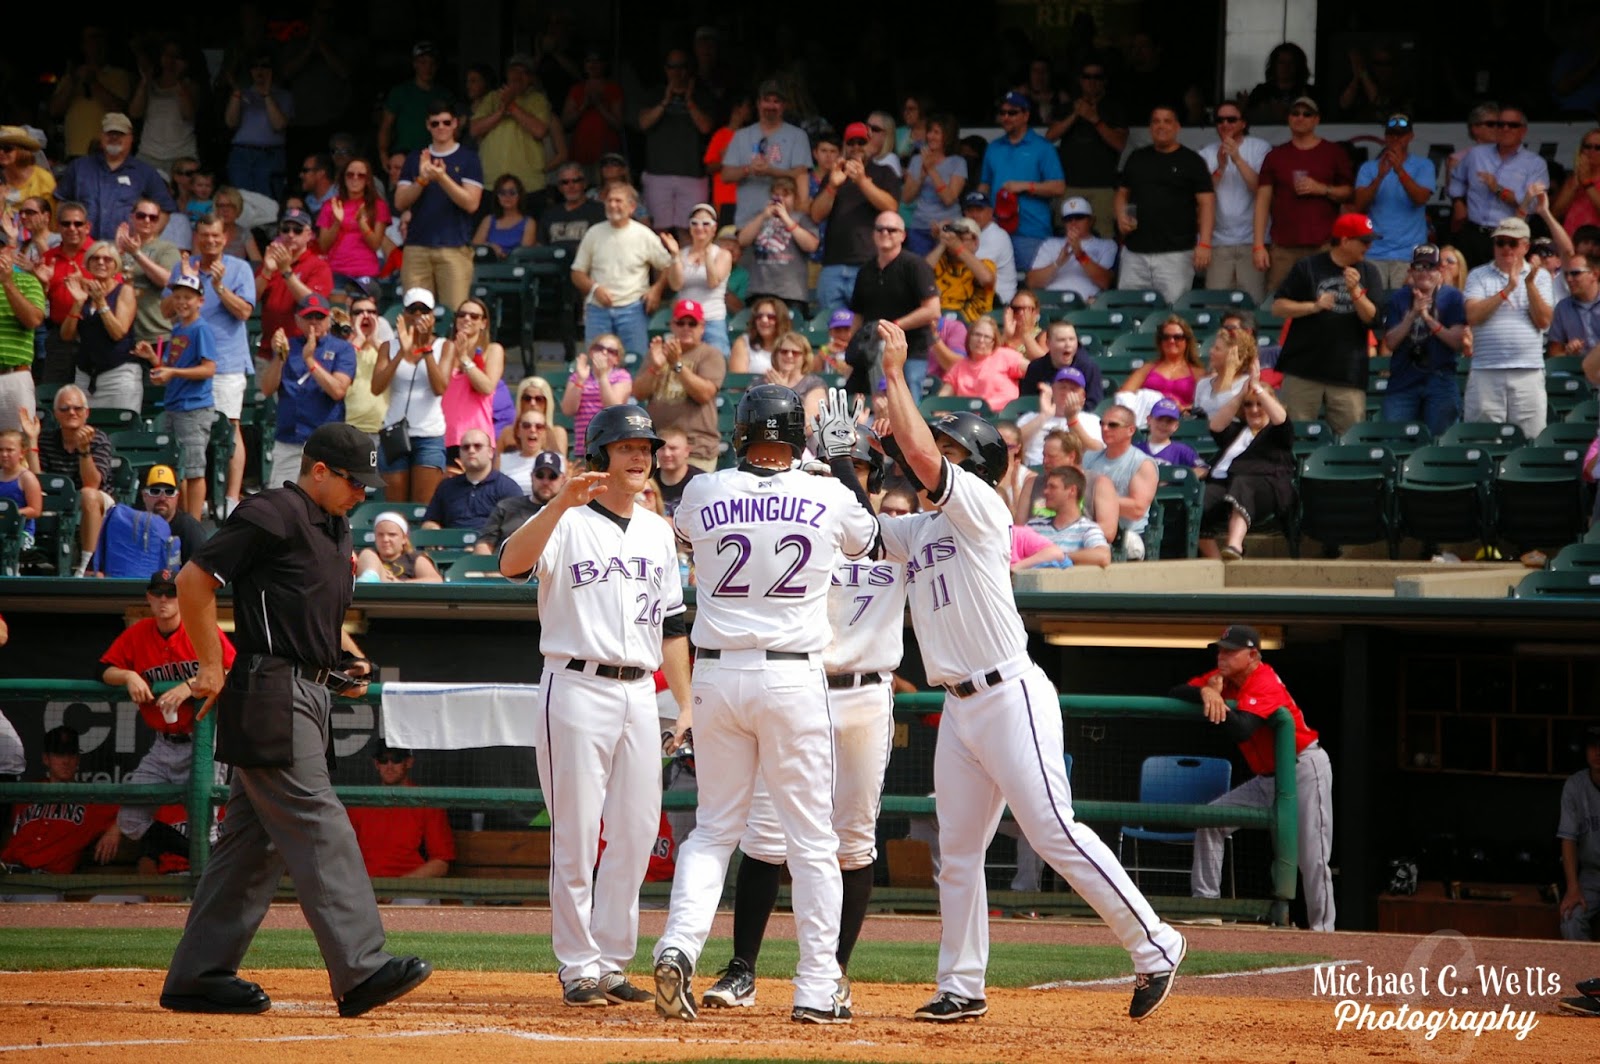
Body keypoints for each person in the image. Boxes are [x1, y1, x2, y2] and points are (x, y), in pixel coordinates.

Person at [873, 321, 1186, 1022]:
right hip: (959, 707)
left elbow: (922, 456)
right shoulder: (919, 528)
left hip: (1008, 692)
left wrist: (896, 375)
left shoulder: (982, 507)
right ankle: (961, 984)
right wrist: (845, 460)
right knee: (956, 853)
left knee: (1053, 830)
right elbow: (860, 529)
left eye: (955, 450)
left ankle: (1156, 943)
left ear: (974, 462)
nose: (938, 460)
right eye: (942, 447)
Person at [161, 422, 432, 1018]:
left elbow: (306, 616)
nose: (363, 492)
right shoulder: (276, 510)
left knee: (250, 848)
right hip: (270, 691)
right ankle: (361, 968)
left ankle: (198, 976)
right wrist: (210, 664)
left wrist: (343, 660)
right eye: (353, 481)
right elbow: (192, 580)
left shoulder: (333, 526)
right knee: (319, 821)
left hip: (308, 693)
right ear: (318, 471)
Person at [651, 385, 879, 1025]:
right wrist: (835, 462)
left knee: (716, 829)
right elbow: (867, 540)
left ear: (743, 430)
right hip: (792, 677)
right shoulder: (830, 492)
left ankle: (678, 946)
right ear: (797, 437)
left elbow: (691, 540)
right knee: (811, 840)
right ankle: (814, 987)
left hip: (718, 675)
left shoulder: (702, 489)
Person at [698, 429, 905, 1013]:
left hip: (863, 694)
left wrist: (844, 471)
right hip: (794, 688)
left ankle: (832, 971)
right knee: (763, 837)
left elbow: (873, 531)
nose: (849, 473)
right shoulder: (807, 511)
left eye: (861, 466)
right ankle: (742, 969)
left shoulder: (893, 530)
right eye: (844, 463)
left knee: (851, 840)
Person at [495, 403, 689, 1005]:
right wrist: (558, 505)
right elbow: (509, 565)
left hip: (640, 690)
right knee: (576, 832)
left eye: (646, 447)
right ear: (602, 452)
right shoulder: (566, 519)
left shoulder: (658, 529)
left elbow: (675, 624)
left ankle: (610, 961)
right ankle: (577, 964)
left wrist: (684, 703)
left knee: (634, 832)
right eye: (628, 445)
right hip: (575, 682)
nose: (641, 456)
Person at [1170, 624, 1334, 931]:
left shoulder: (1264, 679)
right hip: (1266, 778)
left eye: (1231, 651)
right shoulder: (1224, 681)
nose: (1222, 656)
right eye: (1221, 650)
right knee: (1210, 821)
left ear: (1254, 655)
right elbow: (1177, 691)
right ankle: (1206, 907)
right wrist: (1206, 691)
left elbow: (1243, 727)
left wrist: (1217, 702)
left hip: (1302, 768)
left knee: (1312, 855)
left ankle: (1324, 932)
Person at [94, 569, 237, 868]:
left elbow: (232, 671)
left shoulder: (201, 629)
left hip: (203, 741)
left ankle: (206, 883)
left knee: (205, 824)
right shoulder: (138, 634)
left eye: (170, 593)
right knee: (131, 820)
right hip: (163, 744)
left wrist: (189, 686)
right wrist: (129, 675)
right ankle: (207, 865)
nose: (163, 600)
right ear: (148, 596)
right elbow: (102, 670)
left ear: (181, 597)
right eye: (157, 593)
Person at [1270, 213, 1383, 435]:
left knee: (1350, 438)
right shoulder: (1309, 267)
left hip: (1347, 372)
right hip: (1304, 369)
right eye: (1364, 241)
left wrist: (1356, 292)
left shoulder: (1369, 272)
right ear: (1344, 240)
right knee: (1295, 435)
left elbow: (1374, 319)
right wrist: (1313, 307)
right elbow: (1278, 307)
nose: (1368, 247)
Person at [182, 216, 255, 517]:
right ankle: (193, 503)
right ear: (197, 237)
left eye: (215, 235)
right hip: (189, 361)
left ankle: (231, 499)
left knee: (229, 426)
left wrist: (219, 286)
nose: (210, 240)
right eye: (204, 235)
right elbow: (166, 309)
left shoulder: (240, 268)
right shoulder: (186, 266)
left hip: (226, 361)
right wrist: (186, 281)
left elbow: (245, 312)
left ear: (224, 237)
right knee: (189, 431)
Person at [1462, 217, 1553, 439]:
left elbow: (1543, 321)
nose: (1505, 248)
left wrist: (1528, 284)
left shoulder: (1539, 277)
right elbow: (1473, 315)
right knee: (1482, 439)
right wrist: (1507, 290)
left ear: (1525, 246)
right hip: (1486, 371)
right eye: (1500, 242)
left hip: (1528, 372)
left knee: (1530, 439)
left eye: (1512, 243)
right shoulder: (1478, 275)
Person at [1114, 106, 1215, 305]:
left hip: (1176, 254)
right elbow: (1121, 194)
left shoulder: (1192, 160)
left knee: (1173, 314)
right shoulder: (1136, 158)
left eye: (1167, 121)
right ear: (1150, 127)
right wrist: (1120, 216)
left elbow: (1207, 203)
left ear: (1177, 127)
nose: (1161, 126)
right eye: (1156, 121)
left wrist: (1204, 243)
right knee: (1129, 309)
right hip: (1135, 253)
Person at [1253, 97, 1354, 292]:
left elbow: (1349, 192)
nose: (1300, 117)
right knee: (1278, 303)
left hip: (1323, 245)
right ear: (1289, 118)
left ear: (1316, 120)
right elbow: (1262, 201)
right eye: (1295, 113)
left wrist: (1322, 189)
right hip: (1283, 247)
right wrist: (1258, 246)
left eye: (1307, 114)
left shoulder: (1333, 152)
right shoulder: (1275, 155)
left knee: (1327, 300)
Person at [138, 272, 216, 518]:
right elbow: (172, 365)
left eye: (188, 298)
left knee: (194, 470)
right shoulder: (179, 328)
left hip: (193, 408)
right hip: (175, 405)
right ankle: (180, 519)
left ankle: (193, 522)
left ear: (200, 301)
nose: (182, 302)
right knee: (178, 468)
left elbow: (209, 368)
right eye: (178, 296)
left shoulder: (201, 329)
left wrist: (171, 372)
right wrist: (153, 360)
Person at [394, 103, 485, 313]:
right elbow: (400, 202)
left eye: (446, 122)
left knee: (456, 315)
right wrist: (422, 180)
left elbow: (471, 203)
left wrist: (442, 177)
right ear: (428, 125)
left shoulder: (468, 158)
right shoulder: (415, 158)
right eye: (435, 123)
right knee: (414, 315)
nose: (441, 127)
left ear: (455, 124)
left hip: (454, 248)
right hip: (416, 247)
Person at [571, 183, 672, 359]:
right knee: (596, 365)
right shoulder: (594, 233)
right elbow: (577, 273)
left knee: (636, 363)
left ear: (632, 207)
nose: (612, 205)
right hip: (598, 310)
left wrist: (656, 290)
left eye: (618, 200)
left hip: (633, 310)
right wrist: (595, 289)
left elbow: (668, 266)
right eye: (609, 200)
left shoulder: (644, 235)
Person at [0, 725, 117, 874]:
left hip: (46, 881)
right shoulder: (28, 792)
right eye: (59, 754)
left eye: (71, 754)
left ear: (78, 759)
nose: (66, 761)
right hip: (7, 873)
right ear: (46, 759)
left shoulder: (90, 798)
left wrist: (116, 830)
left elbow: (134, 808)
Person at [812, 121, 902, 313]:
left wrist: (862, 181)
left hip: (868, 263)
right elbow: (816, 215)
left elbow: (891, 207)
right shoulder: (834, 174)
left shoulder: (884, 173)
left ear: (871, 143)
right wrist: (832, 186)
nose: (856, 147)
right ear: (845, 146)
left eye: (861, 142)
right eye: (851, 142)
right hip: (832, 265)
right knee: (831, 329)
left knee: (869, 327)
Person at [22, 384, 112, 575]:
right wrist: (31, 441)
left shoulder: (99, 438)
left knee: (87, 494)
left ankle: (88, 565)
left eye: (77, 408)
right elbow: (40, 483)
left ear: (86, 413)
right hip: (59, 501)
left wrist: (84, 450)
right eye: (65, 409)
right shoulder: (47, 439)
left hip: (99, 502)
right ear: (56, 414)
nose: (71, 412)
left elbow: (93, 484)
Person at [1201, 374, 1294, 561]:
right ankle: (1217, 561)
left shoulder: (1276, 433)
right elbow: (1216, 426)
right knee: (1200, 499)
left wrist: (1258, 389)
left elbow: (1282, 420)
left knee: (1242, 484)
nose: (1254, 409)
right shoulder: (1237, 431)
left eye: (1260, 404)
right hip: (1224, 484)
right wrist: (1241, 394)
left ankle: (1234, 546)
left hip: (1266, 488)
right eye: (1249, 404)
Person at [849, 212, 941, 400]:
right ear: (873, 234)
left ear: (902, 235)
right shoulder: (865, 271)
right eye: (880, 229)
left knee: (908, 407)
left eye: (892, 230)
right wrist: (854, 346)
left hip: (911, 350)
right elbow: (858, 315)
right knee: (877, 409)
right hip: (873, 351)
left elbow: (932, 310)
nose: (885, 233)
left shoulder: (916, 265)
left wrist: (893, 326)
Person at [373, 290, 449, 503]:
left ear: (432, 315)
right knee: (396, 510)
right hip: (395, 433)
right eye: (412, 309)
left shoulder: (444, 346)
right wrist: (401, 353)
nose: (418, 314)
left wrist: (426, 349)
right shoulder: (389, 346)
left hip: (429, 435)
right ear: (404, 314)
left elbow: (440, 388)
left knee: (422, 508)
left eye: (424, 310)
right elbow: (377, 387)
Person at [632, 299, 726, 471]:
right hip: (658, 447)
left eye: (692, 323)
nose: (686, 327)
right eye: (681, 322)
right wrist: (655, 368)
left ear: (702, 327)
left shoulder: (710, 355)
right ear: (673, 325)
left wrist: (677, 365)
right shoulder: (657, 353)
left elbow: (704, 394)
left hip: (697, 447)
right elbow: (638, 393)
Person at [1449, 106, 1549, 268]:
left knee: (1505, 285)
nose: (1505, 129)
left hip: (1509, 239)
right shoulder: (1476, 154)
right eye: (1500, 124)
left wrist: (1497, 189)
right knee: (1468, 286)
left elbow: (1532, 205)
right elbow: (1457, 179)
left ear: (1523, 130)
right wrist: (1458, 202)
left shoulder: (1535, 164)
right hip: (1473, 234)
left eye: (1512, 125)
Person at [1381, 245, 1466, 435]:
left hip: (1440, 377)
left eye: (1430, 267)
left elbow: (1457, 342)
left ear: (1440, 270)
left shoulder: (1453, 297)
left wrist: (1427, 318)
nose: (1424, 272)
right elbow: (1390, 342)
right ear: (1411, 270)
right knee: (1395, 439)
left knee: (1442, 442)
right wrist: (1412, 314)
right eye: (1419, 267)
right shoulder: (1399, 298)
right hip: (1403, 379)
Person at [979, 91, 1067, 273]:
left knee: (1031, 290)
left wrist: (1025, 186)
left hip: (1032, 232)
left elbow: (1059, 187)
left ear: (1026, 115)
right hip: (996, 231)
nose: (1006, 117)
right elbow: (984, 186)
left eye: (1012, 113)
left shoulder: (1043, 147)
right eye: (1002, 113)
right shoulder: (993, 147)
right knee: (994, 286)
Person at [1349, 115, 1435, 292]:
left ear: (1410, 136)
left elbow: (1420, 199)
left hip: (1410, 254)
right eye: (1392, 134)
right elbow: (1359, 205)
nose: (1396, 139)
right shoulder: (1369, 168)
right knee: (1373, 308)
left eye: (1401, 135)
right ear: (1385, 137)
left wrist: (1399, 170)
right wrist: (1380, 176)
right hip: (1374, 252)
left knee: (1407, 309)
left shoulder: (1424, 165)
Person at [57, 115, 176, 243]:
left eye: (120, 134)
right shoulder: (79, 167)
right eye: (110, 133)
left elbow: (164, 209)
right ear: (101, 136)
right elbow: (62, 203)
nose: (114, 138)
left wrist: (146, 240)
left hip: (127, 249)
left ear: (131, 138)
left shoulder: (145, 172)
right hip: (82, 247)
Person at [345, 743, 455, 879]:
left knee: (413, 900)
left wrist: (398, 887)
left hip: (412, 885)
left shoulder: (428, 802)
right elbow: (343, 856)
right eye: (383, 760)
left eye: (396, 759)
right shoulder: (361, 803)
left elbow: (441, 863)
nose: (389, 766)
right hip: (368, 884)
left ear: (409, 762)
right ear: (376, 764)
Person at [1197, 101, 1270, 302]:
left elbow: (1260, 189)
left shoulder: (1259, 147)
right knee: (1216, 306)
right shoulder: (1205, 154)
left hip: (1252, 242)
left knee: (1252, 305)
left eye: (1231, 119)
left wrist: (1237, 159)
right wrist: (1220, 168)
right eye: (1220, 120)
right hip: (1218, 243)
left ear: (1243, 123)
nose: (1225, 124)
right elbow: (1202, 197)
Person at [638, 49, 715, 233]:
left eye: (682, 67)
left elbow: (705, 127)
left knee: (691, 232)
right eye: (672, 67)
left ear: (689, 69)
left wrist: (689, 101)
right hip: (658, 173)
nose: (677, 72)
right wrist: (666, 100)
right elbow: (643, 123)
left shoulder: (701, 93)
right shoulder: (655, 92)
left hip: (692, 174)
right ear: (666, 69)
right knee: (658, 232)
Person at [1046, 59, 1128, 228]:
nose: (1092, 81)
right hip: (1069, 186)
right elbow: (1049, 137)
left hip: (1103, 187)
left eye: (1097, 77)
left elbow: (1120, 143)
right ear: (1080, 80)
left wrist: (1095, 119)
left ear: (1104, 81)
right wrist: (1075, 114)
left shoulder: (1115, 108)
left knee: (1103, 238)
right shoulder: (1067, 107)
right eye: (1087, 76)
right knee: (1067, 236)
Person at [61, 240, 139, 412]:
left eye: (107, 259)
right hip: (85, 375)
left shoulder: (124, 291)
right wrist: (78, 302)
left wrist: (101, 302)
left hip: (118, 375)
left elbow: (118, 333)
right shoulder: (83, 291)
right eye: (95, 258)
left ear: (116, 265)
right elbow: (66, 336)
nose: (101, 262)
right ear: (88, 263)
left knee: (118, 431)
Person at [722, 81, 811, 227]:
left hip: (784, 223)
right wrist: (748, 169)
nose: (771, 106)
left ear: (784, 106)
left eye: (776, 101)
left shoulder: (798, 136)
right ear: (758, 104)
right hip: (747, 221)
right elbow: (726, 175)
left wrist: (771, 171)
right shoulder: (741, 136)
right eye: (766, 100)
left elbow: (801, 175)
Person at [254, 208, 335, 363]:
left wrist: (286, 271)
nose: (290, 234)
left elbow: (313, 302)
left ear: (309, 234)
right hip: (268, 350)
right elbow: (251, 299)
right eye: (285, 229)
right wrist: (266, 271)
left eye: (297, 230)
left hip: (302, 351)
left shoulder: (318, 266)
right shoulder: (271, 261)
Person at [470, 54, 555, 200]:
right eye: (514, 70)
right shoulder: (492, 97)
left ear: (531, 79)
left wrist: (512, 106)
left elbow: (540, 131)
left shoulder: (538, 99)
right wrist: (501, 111)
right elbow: (474, 129)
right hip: (492, 182)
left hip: (528, 185)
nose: (518, 75)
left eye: (525, 72)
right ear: (507, 74)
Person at [1083, 404, 1158, 560]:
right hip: (1092, 530)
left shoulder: (1142, 463)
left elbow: (1137, 509)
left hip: (1127, 536)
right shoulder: (1089, 457)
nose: (1105, 428)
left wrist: (1099, 500)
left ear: (1131, 430)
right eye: (1102, 423)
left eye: (1113, 425)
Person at [737, 175, 818, 313]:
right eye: (776, 194)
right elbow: (742, 241)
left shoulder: (801, 218)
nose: (780, 199)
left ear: (794, 198)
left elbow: (811, 245)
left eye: (785, 195)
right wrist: (763, 216)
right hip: (759, 291)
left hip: (791, 293)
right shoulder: (759, 217)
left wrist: (786, 218)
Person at [439, 297, 506, 462]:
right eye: (462, 315)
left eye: (474, 316)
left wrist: (464, 358)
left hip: (477, 439)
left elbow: (487, 387)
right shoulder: (445, 349)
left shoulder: (493, 350)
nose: (466, 319)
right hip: (444, 436)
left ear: (484, 323)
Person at [116, 198, 184, 357]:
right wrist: (119, 252)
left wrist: (137, 254)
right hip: (123, 333)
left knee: (157, 381)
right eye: (141, 216)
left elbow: (168, 281)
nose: (147, 220)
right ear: (132, 217)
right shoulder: (119, 248)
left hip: (157, 334)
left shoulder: (167, 248)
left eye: (153, 217)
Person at [224, 56, 293, 198]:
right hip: (241, 155)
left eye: (265, 66)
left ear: (273, 70)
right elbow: (230, 122)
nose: (259, 70)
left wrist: (267, 94)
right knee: (240, 202)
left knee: (269, 203)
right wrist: (236, 93)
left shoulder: (283, 95)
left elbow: (279, 124)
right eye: (255, 66)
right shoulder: (242, 94)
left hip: (270, 155)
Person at [317, 159, 390, 293]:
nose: (355, 178)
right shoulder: (330, 205)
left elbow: (375, 244)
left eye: (361, 175)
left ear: (368, 180)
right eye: (350, 175)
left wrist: (362, 223)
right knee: (337, 312)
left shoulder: (378, 206)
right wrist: (337, 222)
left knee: (363, 312)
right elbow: (323, 246)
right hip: (336, 271)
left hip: (366, 272)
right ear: (343, 178)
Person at [668, 203, 732, 352]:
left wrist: (707, 256)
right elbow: (676, 285)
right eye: (694, 223)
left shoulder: (722, 254)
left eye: (706, 223)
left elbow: (713, 282)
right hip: (685, 321)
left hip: (712, 318)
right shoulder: (682, 254)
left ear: (714, 228)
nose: (700, 227)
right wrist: (675, 256)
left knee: (717, 362)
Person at [1024, 198, 1116, 302]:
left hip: (1086, 305)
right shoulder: (1050, 244)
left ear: (1091, 221)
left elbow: (1105, 282)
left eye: (1079, 217)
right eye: (1068, 219)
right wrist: (1058, 263)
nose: (1073, 222)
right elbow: (1032, 282)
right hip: (1052, 303)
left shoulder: (1106, 245)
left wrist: (1081, 256)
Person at [474, 452, 565, 554]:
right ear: (531, 476)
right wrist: (487, 568)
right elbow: (485, 544)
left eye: (552, 476)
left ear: (562, 479)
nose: (545, 482)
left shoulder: (570, 513)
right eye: (540, 475)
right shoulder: (507, 507)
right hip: (502, 567)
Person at [903, 114, 968, 256]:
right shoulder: (916, 160)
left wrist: (931, 170)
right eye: (930, 131)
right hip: (920, 228)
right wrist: (921, 176)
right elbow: (906, 198)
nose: (931, 136)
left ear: (948, 136)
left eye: (937, 132)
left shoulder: (957, 162)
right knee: (920, 274)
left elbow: (949, 199)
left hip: (948, 229)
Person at [1116, 315, 1204, 418]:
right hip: (1149, 421)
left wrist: (1183, 407)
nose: (1171, 341)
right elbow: (1124, 396)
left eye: (1177, 337)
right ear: (1160, 342)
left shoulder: (1198, 373)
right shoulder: (1147, 369)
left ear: (1187, 341)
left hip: (1183, 422)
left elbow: (1207, 405)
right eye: (1166, 337)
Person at [1558, 725, 1600, 942]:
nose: (1598, 752)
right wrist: (1573, 888)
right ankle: (1588, 976)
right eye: (1593, 746)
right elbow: (1568, 839)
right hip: (1591, 875)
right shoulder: (1575, 786)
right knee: (1570, 918)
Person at [562, 334, 633, 460]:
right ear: (591, 352)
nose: (604, 352)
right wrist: (580, 380)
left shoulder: (622, 376)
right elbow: (568, 409)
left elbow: (613, 408)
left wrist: (603, 377)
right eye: (599, 348)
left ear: (617, 359)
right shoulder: (578, 375)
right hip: (584, 448)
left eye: (611, 351)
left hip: (610, 447)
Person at [1027, 465, 1112, 567]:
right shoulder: (1034, 526)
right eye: (1046, 487)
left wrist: (1057, 556)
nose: (1045, 492)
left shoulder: (1087, 528)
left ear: (1072, 491)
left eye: (1052, 487)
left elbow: (1103, 556)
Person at [938, 316, 1026, 412]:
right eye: (977, 335)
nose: (981, 340)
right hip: (969, 419)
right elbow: (942, 400)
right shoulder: (959, 366)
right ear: (969, 337)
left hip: (1003, 415)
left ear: (994, 341)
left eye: (987, 337)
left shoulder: (1005, 356)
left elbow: (1034, 370)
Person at [1018, 366, 1103, 466]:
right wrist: (1044, 416)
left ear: (1083, 396)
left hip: (1072, 474)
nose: (1066, 393)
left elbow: (1097, 452)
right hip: (1033, 471)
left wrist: (1072, 420)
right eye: (1062, 387)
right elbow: (1012, 444)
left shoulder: (1091, 420)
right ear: (1053, 390)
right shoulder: (1030, 418)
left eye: (1073, 389)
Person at [1020, 319, 1104, 408]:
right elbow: (1027, 402)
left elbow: (1094, 404)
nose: (1068, 344)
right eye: (1061, 340)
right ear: (1048, 343)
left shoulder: (1089, 368)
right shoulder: (1036, 367)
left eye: (1072, 339)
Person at [135, 464, 206, 563]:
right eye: (155, 491)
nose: (162, 498)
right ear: (144, 495)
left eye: (169, 492)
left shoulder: (189, 528)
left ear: (177, 496)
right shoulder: (134, 525)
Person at [961, 192, 1019, 307]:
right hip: (978, 297)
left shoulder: (997, 235)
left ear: (990, 212)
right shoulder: (969, 233)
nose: (974, 215)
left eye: (979, 210)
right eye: (970, 211)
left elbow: (972, 268)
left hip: (1000, 301)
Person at [539, 163, 606, 256]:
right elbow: (540, 247)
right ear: (560, 187)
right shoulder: (549, 214)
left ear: (584, 183)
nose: (571, 186)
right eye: (565, 182)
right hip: (554, 266)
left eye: (576, 181)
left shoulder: (600, 210)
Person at [355, 512, 442, 583]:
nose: (385, 539)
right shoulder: (367, 555)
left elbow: (436, 580)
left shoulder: (414, 559)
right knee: (367, 553)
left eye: (392, 535)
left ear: (404, 538)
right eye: (380, 535)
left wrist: (401, 583)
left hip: (400, 601)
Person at [1245, 43, 1314, 126]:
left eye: (1291, 63)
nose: (1286, 67)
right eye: (1281, 62)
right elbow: (1249, 120)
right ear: (1274, 65)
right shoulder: (1261, 92)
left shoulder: (1310, 93)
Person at [1548, 254, 1600, 360]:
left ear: (1594, 274)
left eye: (1575, 273)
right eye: (1566, 274)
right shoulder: (1562, 308)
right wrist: (1568, 351)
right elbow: (1554, 352)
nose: (1569, 279)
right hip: (1576, 370)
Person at [473, 174, 537, 259]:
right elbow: (474, 247)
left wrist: (504, 255)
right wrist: (491, 247)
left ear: (520, 195)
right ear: (497, 196)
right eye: (502, 193)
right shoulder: (488, 220)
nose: (507, 196)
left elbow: (524, 254)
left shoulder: (529, 223)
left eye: (512, 192)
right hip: (490, 266)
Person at [503, 376, 568, 458]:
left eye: (539, 399)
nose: (533, 403)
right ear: (520, 401)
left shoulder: (557, 433)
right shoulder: (507, 433)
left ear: (547, 403)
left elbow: (561, 464)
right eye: (527, 398)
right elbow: (497, 465)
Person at [1553, 130, 1600, 237]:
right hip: (1571, 240)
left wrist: (1588, 184)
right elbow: (1556, 213)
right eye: (1587, 146)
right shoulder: (1573, 179)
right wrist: (1574, 184)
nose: (1591, 151)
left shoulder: (1586, 181)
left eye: (1598, 148)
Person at [1138, 397, 1205, 471]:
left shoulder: (1183, 450)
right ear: (1149, 420)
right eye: (1159, 419)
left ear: (1176, 426)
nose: (1163, 424)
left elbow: (1203, 469)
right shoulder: (1135, 450)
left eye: (1169, 421)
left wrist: (1182, 475)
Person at [653, 426, 702, 521]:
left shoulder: (700, 482)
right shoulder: (648, 481)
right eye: (662, 448)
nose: (667, 454)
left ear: (687, 451)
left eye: (673, 448)